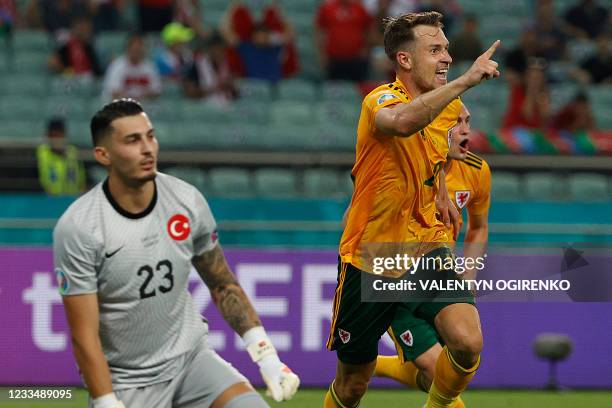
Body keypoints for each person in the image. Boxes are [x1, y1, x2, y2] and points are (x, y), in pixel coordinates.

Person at [53, 99, 300, 408]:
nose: (147, 148)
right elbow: (83, 336)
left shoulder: (185, 200)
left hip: (192, 364)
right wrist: (105, 401)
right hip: (127, 381)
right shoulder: (79, 228)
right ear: (103, 155)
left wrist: (266, 356)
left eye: (150, 136)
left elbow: (222, 284)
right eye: (132, 140)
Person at [324, 11, 500, 408]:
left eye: (447, 50)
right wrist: (466, 81)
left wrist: (438, 191)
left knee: (468, 343)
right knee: (353, 384)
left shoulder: (449, 113)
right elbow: (402, 124)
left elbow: (433, 158)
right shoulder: (381, 99)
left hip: (424, 249)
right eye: (435, 50)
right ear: (405, 60)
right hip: (371, 256)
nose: (447, 58)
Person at [374, 103, 491, 408]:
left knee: (456, 362)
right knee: (436, 371)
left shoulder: (477, 171)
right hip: (396, 277)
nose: (467, 130)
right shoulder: (403, 164)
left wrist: (468, 273)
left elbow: (478, 229)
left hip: (440, 274)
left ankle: (379, 364)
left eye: (469, 121)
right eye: (457, 123)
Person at [102, 33, 162, 101]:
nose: (136, 50)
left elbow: (157, 91)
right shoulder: (116, 66)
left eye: (139, 47)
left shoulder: (150, 67)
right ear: (127, 48)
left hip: (146, 107)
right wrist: (133, 99)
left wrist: (141, 97)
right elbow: (114, 92)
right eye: (134, 48)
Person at [37, 118, 86, 196]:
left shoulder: (74, 153)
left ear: (64, 135)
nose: (56, 140)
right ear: (47, 136)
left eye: (58, 135)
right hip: (47, 202)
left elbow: (83, 181)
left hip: (72, 201)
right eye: (53, 136)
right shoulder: (40, 154)